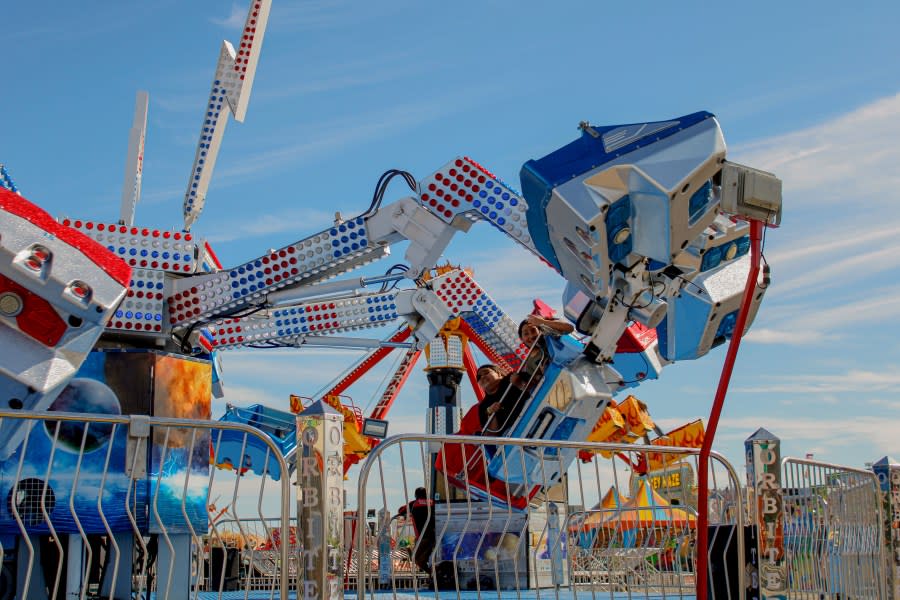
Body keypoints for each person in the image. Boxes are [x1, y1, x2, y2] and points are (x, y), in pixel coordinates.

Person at [475, 364, 526, 436]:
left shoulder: (512, 377)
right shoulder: (483, 406)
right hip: (512, 433)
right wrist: (491, 414)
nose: (482, 377)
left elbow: (538, 383)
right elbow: (490, 436)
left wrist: (519, 384)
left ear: (499, 373)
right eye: (479, 377)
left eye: (486, 372)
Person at [397, 487, 435, 573]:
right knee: (423, 558)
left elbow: (401, 510)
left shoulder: (414, 504)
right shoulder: (432, 503)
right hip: (434, 535)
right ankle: (433, 574)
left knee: (415, 558)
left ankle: (433, 574)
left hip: (423, 537)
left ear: (416, 495)